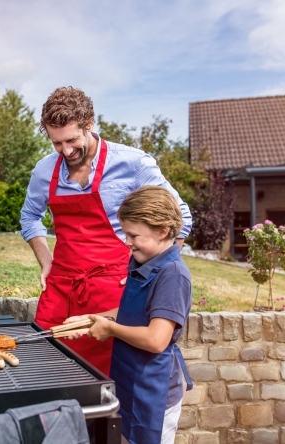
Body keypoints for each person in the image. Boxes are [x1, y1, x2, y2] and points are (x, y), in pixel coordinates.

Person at [20, 86, 192, 376]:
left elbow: (181, 218)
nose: (66, 151)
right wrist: (46, 261)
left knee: (109, 379)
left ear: (89, 124)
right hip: (61, 288)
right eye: (57, 143)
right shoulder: (43, 171)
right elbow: (30, 217)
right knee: (47, 370)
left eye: (72, 140)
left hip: (114, 289)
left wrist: (151, 275)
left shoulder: (133, 163)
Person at [64, 185, 193, 444]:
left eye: (134, 235)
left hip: (153, 390)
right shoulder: (144, 261)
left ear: (162, 232)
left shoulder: (172, 275)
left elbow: (157, 339)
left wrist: (109, 329)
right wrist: (94, 318)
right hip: (129, 379)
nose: (127, 242)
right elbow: (134, 312)